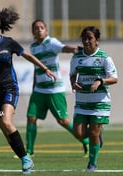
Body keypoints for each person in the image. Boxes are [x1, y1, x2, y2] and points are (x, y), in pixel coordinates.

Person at [0, 8, 56, 174]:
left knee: (6, 122)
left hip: (10, 88)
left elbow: (27, 56)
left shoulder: (8, 43)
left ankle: (26, 159)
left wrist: (45, 68)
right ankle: (25, 160)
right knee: (6, 131)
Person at [24, 20, 89, 158]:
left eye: (42, 27)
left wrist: (74, 50)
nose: (39, 30)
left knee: (63, 121)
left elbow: (64, 48)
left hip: (54, 89)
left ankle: (86, 140)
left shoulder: (51, 42)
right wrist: (34, 86)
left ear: (46, 30)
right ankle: (29, 151)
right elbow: (37, 68)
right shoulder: (34, 47)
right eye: (36, 28)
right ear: (33, 32)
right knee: (31, 118)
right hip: (39, 90)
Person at [70, 26, 118, 171]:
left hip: (99, 102)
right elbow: (73, 74)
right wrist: (73, 83)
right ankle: (97, 135)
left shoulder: (104, 58)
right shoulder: (77, 57)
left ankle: (92, 164)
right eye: (84, 38)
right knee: (78, 133)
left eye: (89, 38)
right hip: (82, 101)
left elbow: (114, 78)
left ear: (97, 40)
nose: (86, 41)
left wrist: (100, 81)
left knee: (93, 133)